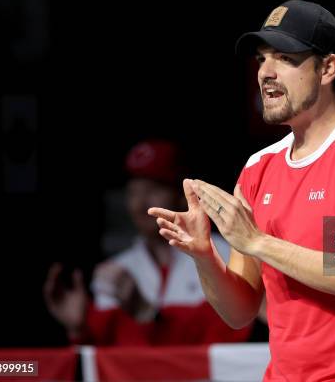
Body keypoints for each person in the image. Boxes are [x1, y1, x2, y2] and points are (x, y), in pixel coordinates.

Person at [149, 0, 335, 381]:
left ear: (327, 68)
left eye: (284, 58)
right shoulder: (258, 167)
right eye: (262, 59)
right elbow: (240, 312)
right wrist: (203, 254)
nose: (266, 73)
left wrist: (257, 242)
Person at [44, 139, 250, 345]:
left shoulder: (222, 254)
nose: (140, 203)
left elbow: (230, 338)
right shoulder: (115, 271)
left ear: (182, 195)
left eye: (152, 190)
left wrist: (147, 312)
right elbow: (109, 362)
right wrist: (79, 329)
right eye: (133, 192)